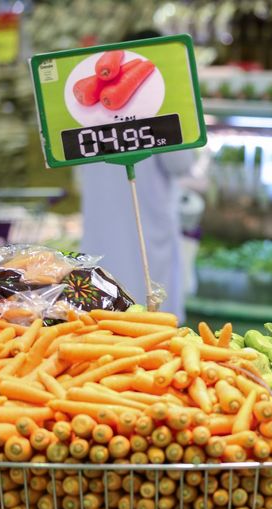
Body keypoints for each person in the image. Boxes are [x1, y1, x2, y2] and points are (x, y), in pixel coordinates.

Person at [76, 29, 201, 322]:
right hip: (148, 233)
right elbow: (181, 164)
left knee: (105, 319)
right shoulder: (162, 101)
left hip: (100, 237)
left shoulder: (86, 109)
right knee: (154, 322)